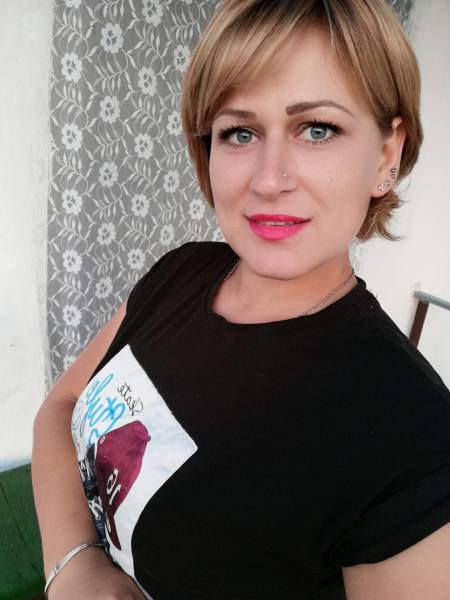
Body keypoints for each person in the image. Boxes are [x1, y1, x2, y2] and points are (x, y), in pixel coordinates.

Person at [32, 1, 450, 598]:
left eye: (317, 129)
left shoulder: (413, 437)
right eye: (240, 132)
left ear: (387, 154)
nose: (268, 178)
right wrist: (75, 563)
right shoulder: (182, 271)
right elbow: (62, 403)